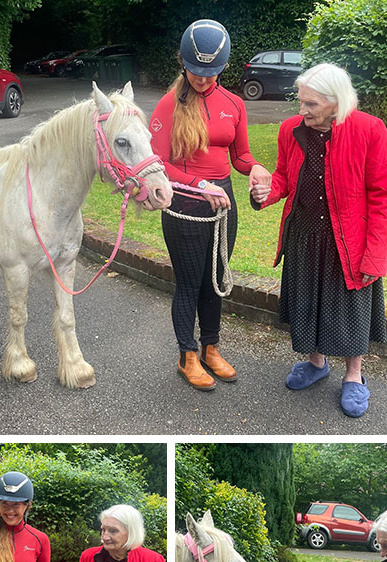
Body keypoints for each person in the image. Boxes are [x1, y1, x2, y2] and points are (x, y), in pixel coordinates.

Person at [250, 63, 387, 417]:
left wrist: (374, 256)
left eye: (311, 105)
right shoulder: (290, 130)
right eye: (300, 102)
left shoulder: (369, 129)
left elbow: (385, 195)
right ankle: (316, 362)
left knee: (349, 309)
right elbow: (285, 176)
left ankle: (354, 376)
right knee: (307, 303)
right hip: (304, 234)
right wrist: (265, 190)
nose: (301, 111)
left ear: (336, 103)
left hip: (348, 239)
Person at [150, 19, 272, 391]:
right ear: (182, 61)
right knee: (189, 283)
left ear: (225, 67)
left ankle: (211, 348)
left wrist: (256, 169)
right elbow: (157, 164)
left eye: (211, 72)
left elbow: (241, 156)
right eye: (195, 70)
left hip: (222, 204)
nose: (202, 79)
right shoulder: (170, 104)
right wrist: (198, 183)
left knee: (215, 281)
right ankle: (187, 355)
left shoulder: (234, 103)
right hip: (185, 203)